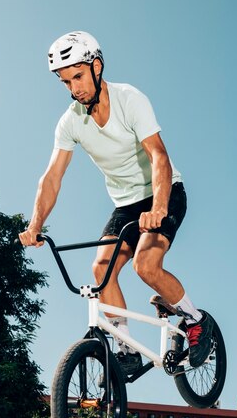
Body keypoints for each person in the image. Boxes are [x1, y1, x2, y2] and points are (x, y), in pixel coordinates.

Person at [19, 31, 213, 376]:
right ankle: (126, 348)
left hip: (162, 191)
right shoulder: (70, 122)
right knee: (100, 269)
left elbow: (158, 156)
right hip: (125, 205)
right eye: (65, 82)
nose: (74, 88)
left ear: (96, 66)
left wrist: (159, 208)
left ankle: (197, 321)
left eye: (78, 76)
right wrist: (35, 225)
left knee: (146, 266)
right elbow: (52, 177)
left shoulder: (129, 99)